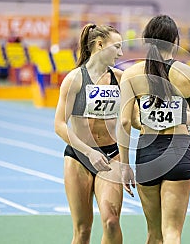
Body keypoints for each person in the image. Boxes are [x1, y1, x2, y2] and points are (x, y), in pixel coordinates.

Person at [118, 15, 190, 244]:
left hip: (147, 150)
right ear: (175, 41)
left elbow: (125, 123)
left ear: (147, 40)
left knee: (153, 233)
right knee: (173, 233)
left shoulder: (130, 74)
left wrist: (125, 165)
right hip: (179, 148)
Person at [54, 23, 135, 244]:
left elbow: (134, 118)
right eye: (116, 47)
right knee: (82, 230)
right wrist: (89, 152)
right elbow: (60, 125)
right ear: (99, 45)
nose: (120, 53)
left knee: (111, 221)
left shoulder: (121, 79)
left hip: (111, 157)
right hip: (79, 158)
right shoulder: (74, 79)